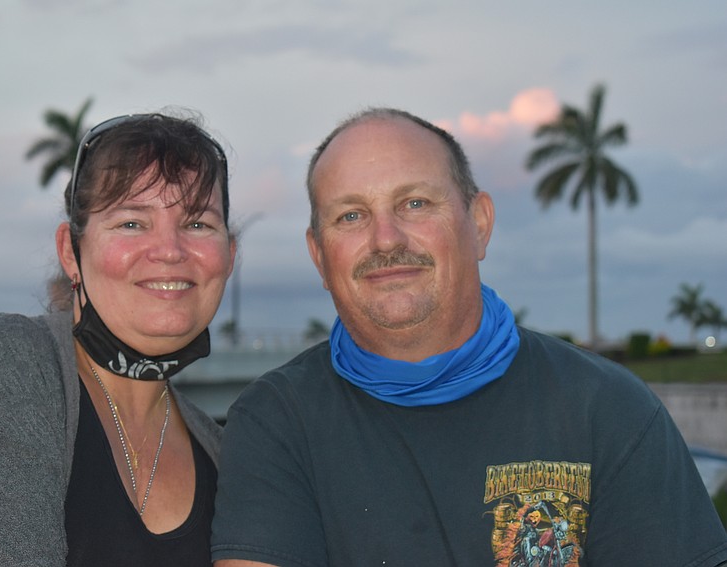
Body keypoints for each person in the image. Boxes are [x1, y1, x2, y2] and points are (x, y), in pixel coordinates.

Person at [211, 108, 727, 566]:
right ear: (320, 256)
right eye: (351, 215)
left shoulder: (607, 410)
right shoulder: (276, 423)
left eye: (414, 203)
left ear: (479, 224)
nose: (385, 238)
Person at [0, 111, 236, 565]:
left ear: (229, 254)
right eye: (131, 223)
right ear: (71, 252)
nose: (169, 250)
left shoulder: (220, 452)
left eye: (198, 223)